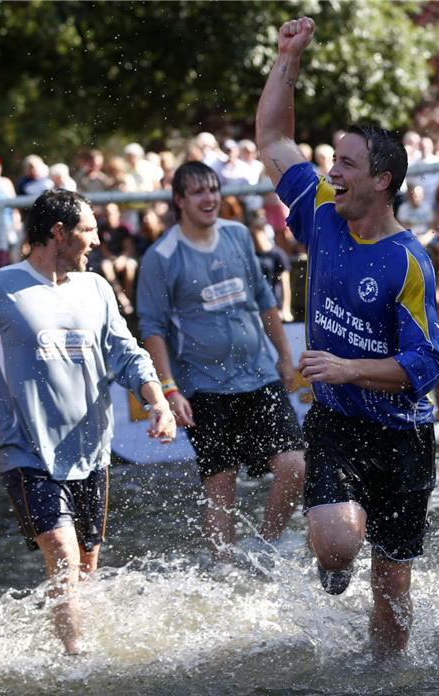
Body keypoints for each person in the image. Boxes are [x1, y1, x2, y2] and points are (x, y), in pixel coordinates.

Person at [257, 17, 439, 659]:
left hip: (403, 433)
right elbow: (273, 137)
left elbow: (427, 363)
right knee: (339, 542)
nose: (331, 169)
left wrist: (348, 366)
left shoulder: (408, 261)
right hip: (337, 423)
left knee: (392, 586)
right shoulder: (320, 213)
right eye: (333, 159)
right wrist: (288, 58)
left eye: (346, 162)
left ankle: (384, 675)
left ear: (382, 181)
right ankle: (333, 553)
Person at [0, 189, 177, 654]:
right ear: (57, 233)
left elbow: (125, 353)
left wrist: (157, 398)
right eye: (88, 230)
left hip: (91, 450)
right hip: (28, 451)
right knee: (62, 555)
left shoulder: (96, 288)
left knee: (85, 568)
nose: (97, 241)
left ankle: (78, 648)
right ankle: (77, 665)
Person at [136, 161, 306, 568]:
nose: (209, 198)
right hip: (204, 386)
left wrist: (284, 355)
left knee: (295, 466)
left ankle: (266, 547)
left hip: (260, 374)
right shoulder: (162, 256)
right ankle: (225, 570)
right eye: (198, 192)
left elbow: (264, 299)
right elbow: (153, 328)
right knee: (220, 485)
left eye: (213, 189)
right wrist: (169, 389)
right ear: (179, 200)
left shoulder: (237, 235)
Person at [249, 212, 293, 323]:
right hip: (256, 306)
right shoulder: (250, 255)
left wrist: (286, 309)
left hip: (274, 304)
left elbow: (285, 283)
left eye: (255, 234)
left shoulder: (277, 254)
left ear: (263, 232)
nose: (254, 239)